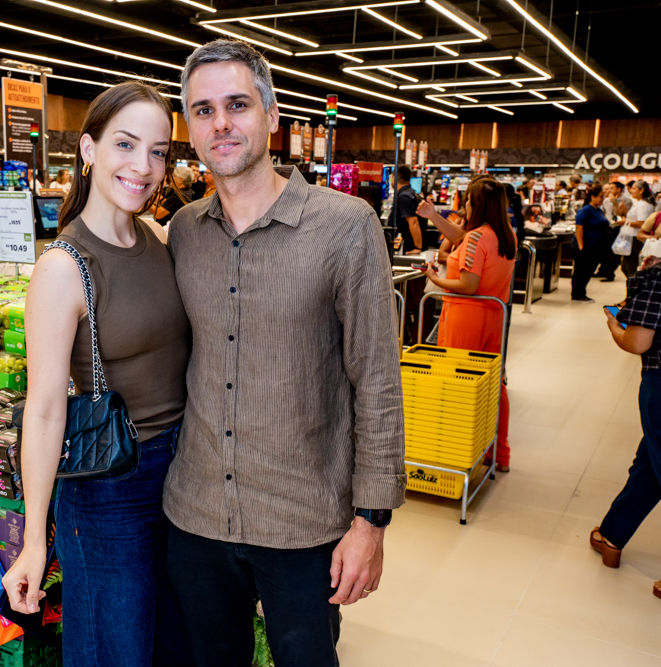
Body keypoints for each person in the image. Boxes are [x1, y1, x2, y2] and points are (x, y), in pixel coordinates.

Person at [165, 39, 405, 666]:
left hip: (304, 522)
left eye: (237, 104)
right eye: (203, 110)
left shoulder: (346, 225)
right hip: (195, 514)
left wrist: (370, 521)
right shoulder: (184, 232)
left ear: (272, 116)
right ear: (188, 128)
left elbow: (376, 380)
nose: (221, 123)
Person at [1, 80, 192, 666]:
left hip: (186, 478)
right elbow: (45, 408)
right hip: (111, 490)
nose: (144, 166)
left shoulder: (161, 239)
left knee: (172, 650)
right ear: (88, 150)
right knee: (116, 654)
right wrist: (36, 541)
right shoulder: (63, 267)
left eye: (158, 151)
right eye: (126, 145)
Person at [592, 187, 661, 614]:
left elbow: (638, 341)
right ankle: (613, 534)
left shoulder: (659, 275)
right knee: (654, 462)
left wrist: (614, 323)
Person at [418, 177, 517, 472]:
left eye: (470, 200)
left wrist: (434, 278)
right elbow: (463, 238)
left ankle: (455, 453)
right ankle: (498, 454)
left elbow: (468, 284)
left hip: (465, 315)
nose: (467, 204)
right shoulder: (503, 234)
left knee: (457, 385)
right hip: (494, 316)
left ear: (478, 204)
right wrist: (434, 216)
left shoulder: (477, 238)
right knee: (493, 386)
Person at [571, 186, 610, 302]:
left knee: (588, 270)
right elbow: (579, 227)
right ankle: (577, 294)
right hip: (586, 245)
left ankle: (581, 292)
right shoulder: (586, 210)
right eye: (600, 197)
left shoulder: (598, 210)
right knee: (581, 270)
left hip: (596, 245)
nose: (602, 199)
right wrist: (581, 244)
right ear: (592, 197)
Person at [620, 180, 656, 279]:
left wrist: (625, 222)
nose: (631, 191)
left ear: (641, 191)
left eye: (634, 188)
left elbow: (641, 223)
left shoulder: (643, 205)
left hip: (635, 238)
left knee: (630, 268)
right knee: (625, 267)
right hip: (632, 238)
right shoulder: (639, 203)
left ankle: (632, 291)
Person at [394, 164, 422, 254]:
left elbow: (414, 222)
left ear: (395, 177)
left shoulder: (404, 197)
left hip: (407, 247)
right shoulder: (411, 193)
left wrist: (417, 248)